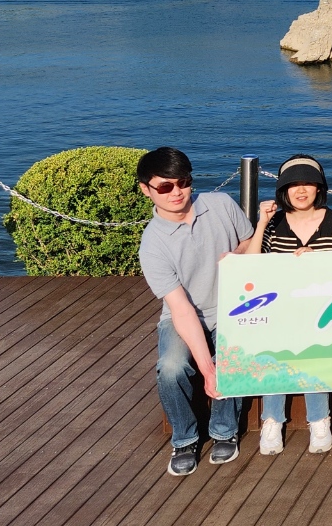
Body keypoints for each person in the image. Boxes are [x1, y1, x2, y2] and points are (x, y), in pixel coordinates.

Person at [136, 147, 257, 476]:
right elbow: (181, 309)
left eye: (183, 182)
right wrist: (206, 368)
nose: (176, 192)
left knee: (231, 355)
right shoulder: (152, 244)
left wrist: (236, 255)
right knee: (171, 367)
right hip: (185, 315)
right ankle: (185, 436)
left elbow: (249, 242)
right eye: (165, 186)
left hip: (234, 308)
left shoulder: (220, 205)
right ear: (146, 189)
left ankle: (223, 430)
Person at [247, 155, 332, 456]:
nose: (301, 190)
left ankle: (319, 419)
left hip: (323, 308)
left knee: (314, 348)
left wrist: (319, 263)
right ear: (283, 190)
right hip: (281, 307)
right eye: (293, 185)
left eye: (308, 183)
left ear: (320, 188)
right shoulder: (275, 222)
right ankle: (272, 419)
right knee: (273, 347)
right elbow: (252, 266)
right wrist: (262, 222)